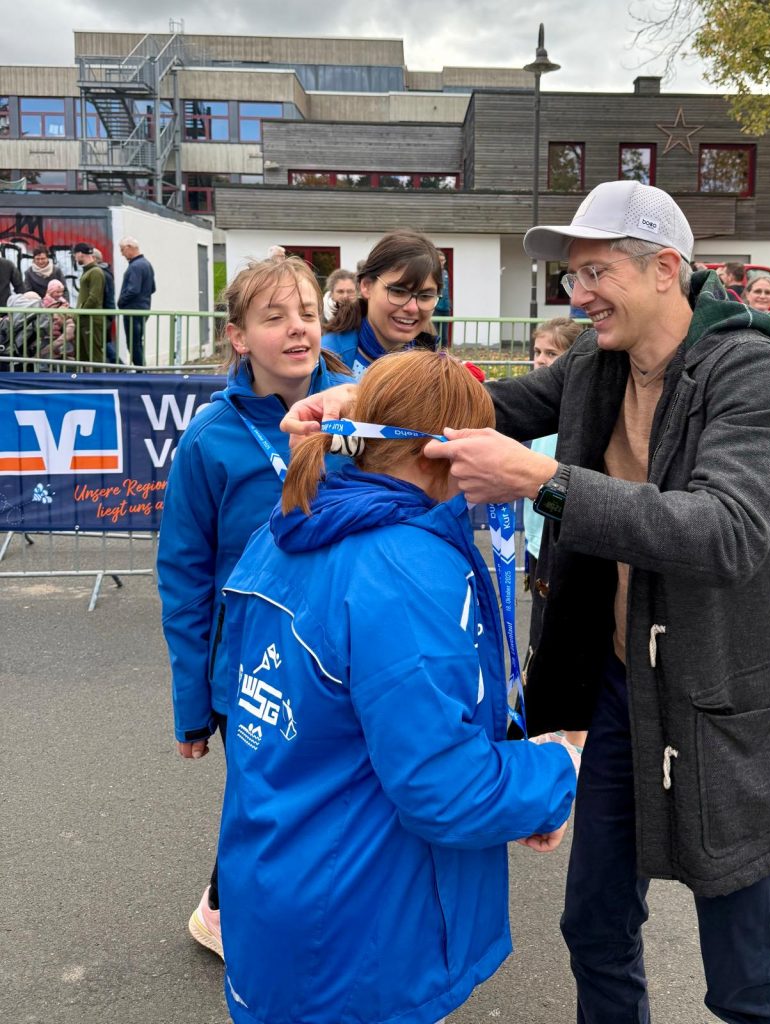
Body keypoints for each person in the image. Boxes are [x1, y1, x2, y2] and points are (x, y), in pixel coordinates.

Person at [286, 180, 770, 1024]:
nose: (575, 295)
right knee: (593, 927)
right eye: (573, 276)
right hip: (625, 696)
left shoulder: (753, 376)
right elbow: (493, 408)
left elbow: (726, 532)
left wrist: (546, 484)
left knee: (749, 978)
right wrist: (361, 402)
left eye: (594, 272)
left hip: (729, 713)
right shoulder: (596, 365)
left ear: (665, 268)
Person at [218, 349, 577, 1024]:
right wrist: (556, 771)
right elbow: (446, 790)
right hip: (362, 922)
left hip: (272, 875)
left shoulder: (292, 522)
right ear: (450, 451)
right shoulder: (405, 568)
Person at [157, 256, 353, 961]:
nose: (297, 328)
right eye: (274, 318)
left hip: (344, 658)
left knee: (337, 800)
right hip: (254, 672)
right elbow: (183, 576)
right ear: (239, 337)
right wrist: (191, 704)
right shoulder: (212, 437)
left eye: (307, 312)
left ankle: (323, 928)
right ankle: (227, 915)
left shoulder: (363, 411)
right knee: (264, 809)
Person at [522, 317, 585, 753]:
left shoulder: (578, 413)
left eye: (552, 355)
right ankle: (538, 728)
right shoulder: (531, 407)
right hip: (533, 541)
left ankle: (578, 743)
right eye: (538, 352)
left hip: (570, 542)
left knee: (572, 645)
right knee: (536, 638)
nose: (541, 361)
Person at [322, 229, 442, 378]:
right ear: (366, 286)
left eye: (425, 296)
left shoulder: (431, 361)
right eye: (398, 291)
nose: (412, 308)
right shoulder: (325, 363)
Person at [117, 236, 156, 366]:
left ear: (129, 248)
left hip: (133, 310)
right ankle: (142, 370)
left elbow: (133, 289)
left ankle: (141, 371)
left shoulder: (135, 266)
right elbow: (152, 288)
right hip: (143, 308)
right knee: (137, 342)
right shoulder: (146, 264)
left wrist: (121, 302)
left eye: (122, 249)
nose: (122, 253)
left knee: (133, 344)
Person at [72, 242, 106, 364]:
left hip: (91, 320)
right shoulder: (89, 271)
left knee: (94, 355)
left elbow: (94, 298)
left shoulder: (95, 272)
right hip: (85, 319)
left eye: (75, 255)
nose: (75, 258)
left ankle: (99, 382)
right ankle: (83, 381)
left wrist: (80, 312)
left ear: (80, 254)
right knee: (82, 356)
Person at [435, 249, 451, 346]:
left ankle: (444, 357)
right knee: (434, 335)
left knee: (444, 336)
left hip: (446, 308)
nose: (442, 262)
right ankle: (433, 357)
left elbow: (447, 289)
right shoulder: (431, 272)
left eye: (443, 260)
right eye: (440, 260)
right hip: (435, 307)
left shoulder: (445, 272)